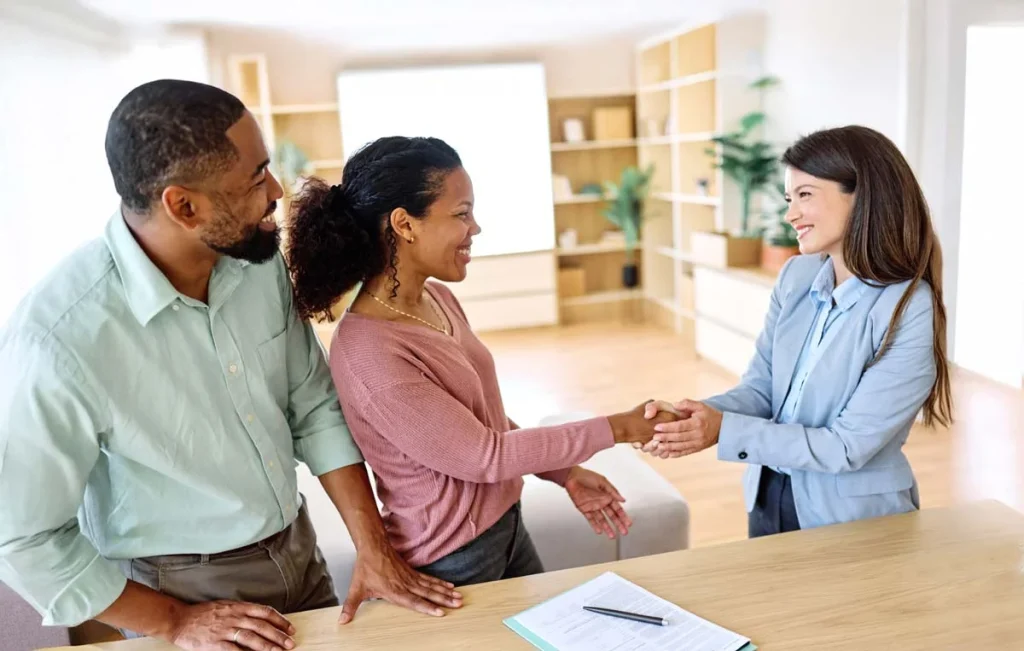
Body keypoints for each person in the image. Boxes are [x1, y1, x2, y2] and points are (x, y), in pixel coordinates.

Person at [0, 80, 461, 651]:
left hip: (298, 550)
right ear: (183, 206)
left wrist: (374, 549)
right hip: (181, 593)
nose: (276, 191)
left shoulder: (255, 259)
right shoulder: (57, 340)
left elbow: (313, 405)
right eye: (256, 176)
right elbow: (22, 538)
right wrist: (173, 621)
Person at [285, 136, 674, 586]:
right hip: (450, 561)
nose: (475, 228)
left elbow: (481, 421)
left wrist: (564, 472)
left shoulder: (437, 298)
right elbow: (484, 456)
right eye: (461, 214)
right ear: (404, 224)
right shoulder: (369, 352)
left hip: (506, 527)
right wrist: (620, 428)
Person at [642, 125, 953, 537]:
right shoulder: (796, 276)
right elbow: (762, 389)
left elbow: (846, 446)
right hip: (767, 493)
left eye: (805, 194)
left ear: (863, 195)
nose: (790, 214)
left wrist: (722, 430)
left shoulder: (908, 307)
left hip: (853, 519)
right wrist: (691, 419)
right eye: (790, 199)